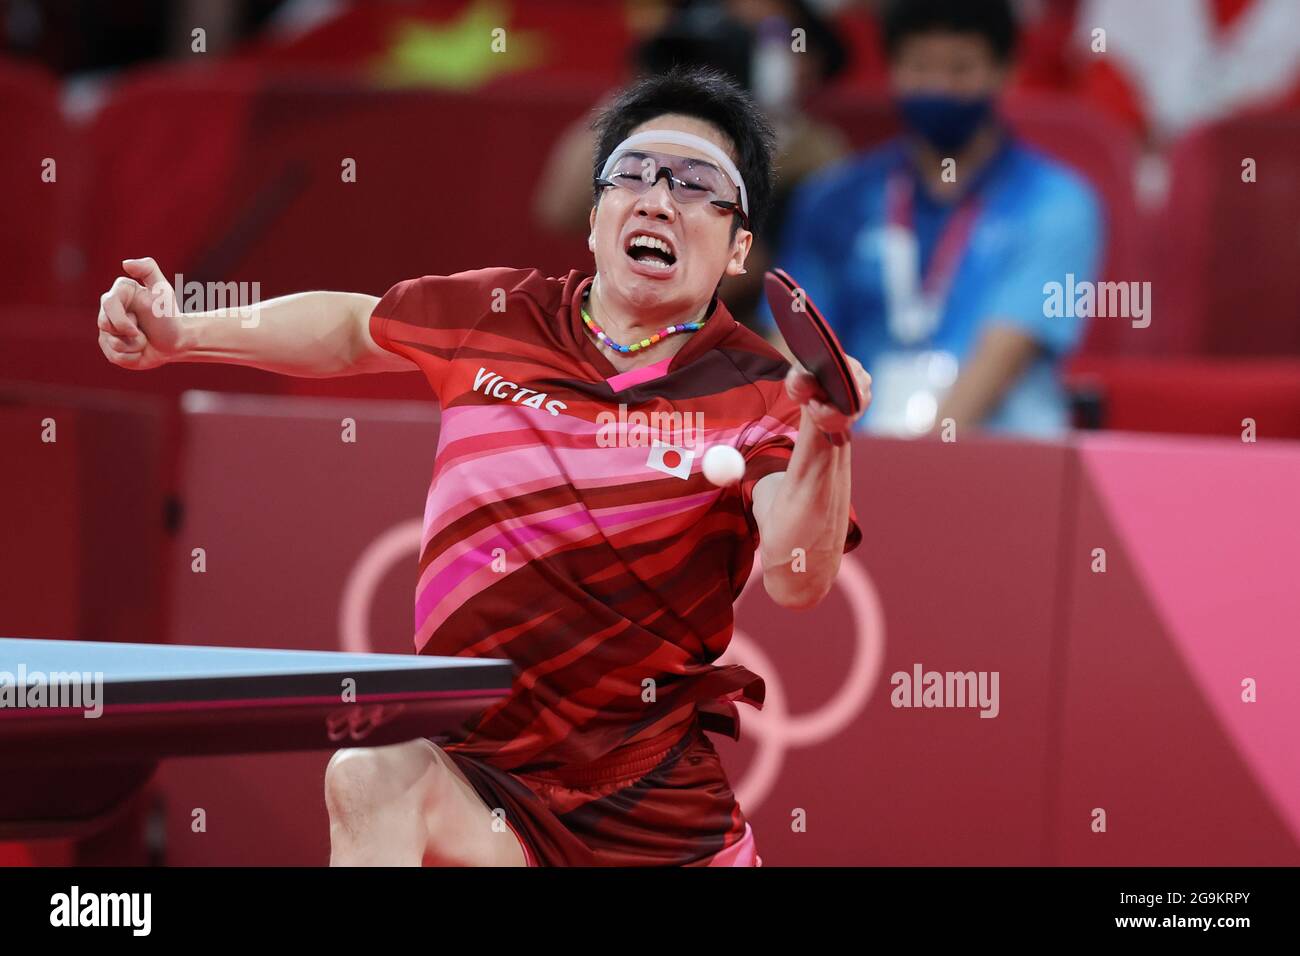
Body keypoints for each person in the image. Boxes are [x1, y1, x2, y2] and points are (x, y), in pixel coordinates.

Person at [95, 66, 869, 866]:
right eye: (632, 174)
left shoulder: (762, 394)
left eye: (697, 183)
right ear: (596, 216)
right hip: (482, 783)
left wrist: (826, 436)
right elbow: (352, 327)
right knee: (370, 776)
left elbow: (798, 576)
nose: (658, 198)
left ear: (739, 244)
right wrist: (183, 333)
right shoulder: (500, 315)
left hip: (652, 813)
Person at [777, 0, 1103, 437]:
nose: (939, 86)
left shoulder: (1058, 201)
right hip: (854, 454)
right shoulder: (834, 198)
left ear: (1005, 71)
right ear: (891, 69)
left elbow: (1005, 354)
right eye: (920, 67)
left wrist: (918, 470)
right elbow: (794, 341)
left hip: (1003, 458)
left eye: (961, 68)